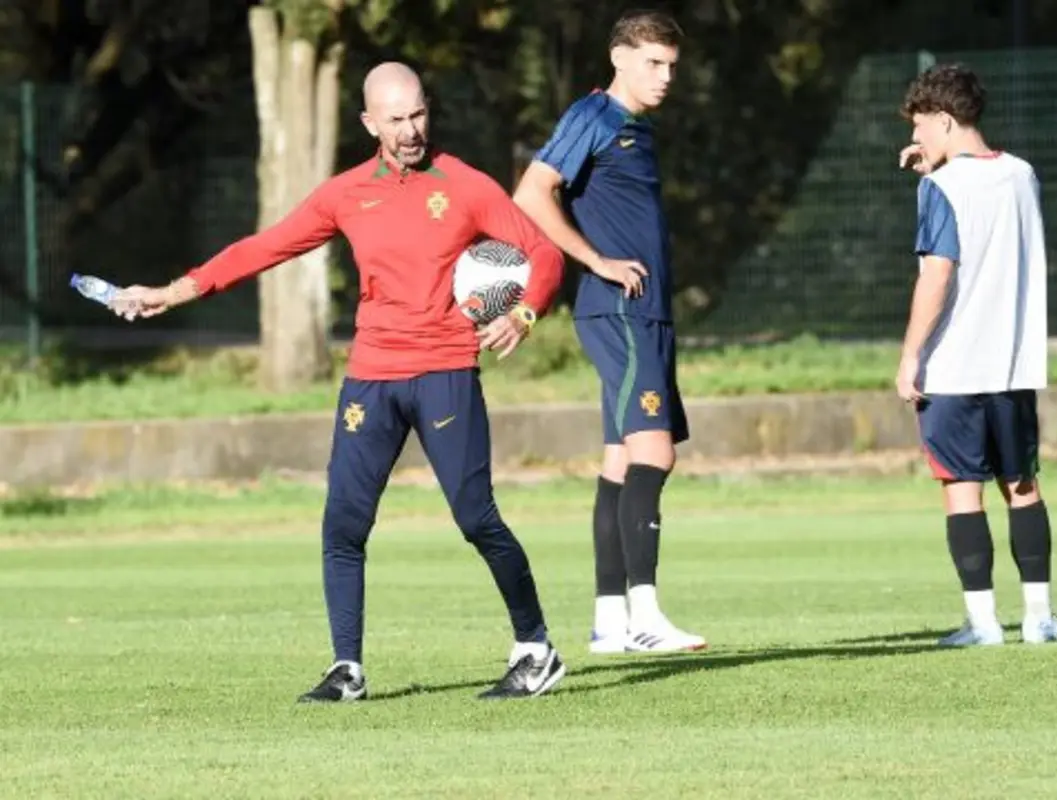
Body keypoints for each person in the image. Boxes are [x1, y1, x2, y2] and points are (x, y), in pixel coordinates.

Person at [112, 62, 570, 699]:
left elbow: (542, 250)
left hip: (444, 370)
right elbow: (265, 246)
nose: (410, 130)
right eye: (395, 120)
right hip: (371, 376)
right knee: (343, 525)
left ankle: (536, 649)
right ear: (369, 123)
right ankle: (346, 669)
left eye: (418, 114)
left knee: (475, 518)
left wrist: (525, 311)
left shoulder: (464, 184)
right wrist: (173, 291)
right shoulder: (348, 193)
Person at [512, 10, 705, 654]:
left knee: (621, 460)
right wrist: (594, 260)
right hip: (618, 311)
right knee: (656, 453)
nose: (665, 76)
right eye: (653, 62)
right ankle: (647, 617)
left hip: (643, 312)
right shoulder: (593, 116)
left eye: (672, 65)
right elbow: (533, 193)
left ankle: (611, 622)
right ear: (619, 57)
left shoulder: (634, 126)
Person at [895, 63, 1057, 647]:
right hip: (1012, 363)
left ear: (945, 120)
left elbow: (939, 273)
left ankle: (983, 623)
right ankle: (1040, 617)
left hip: (952, 366)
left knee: (960, 487)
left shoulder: (939, 187)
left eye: (922, 127)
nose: (916, 139)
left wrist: (910, 356)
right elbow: (984, 205)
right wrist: (934, 168)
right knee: (1022, 485)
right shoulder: (1023, 175)